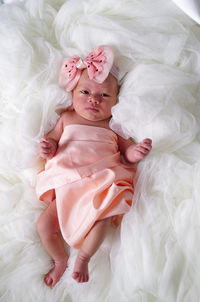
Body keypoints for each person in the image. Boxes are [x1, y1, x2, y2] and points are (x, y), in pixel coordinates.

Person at [36, 46, 152, 288]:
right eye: (85, 91)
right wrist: (48, 147)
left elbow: (126, 154)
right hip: (68, 184)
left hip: (100, 183)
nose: (93, 99)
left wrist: (135, 152)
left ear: (116, 101)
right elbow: (53, 143)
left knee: (102, 220)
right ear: (72, 93)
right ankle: (59, 260)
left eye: (104, 96)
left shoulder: (112, 126)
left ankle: (84, 258)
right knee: (44, 226)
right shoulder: (66, 118)